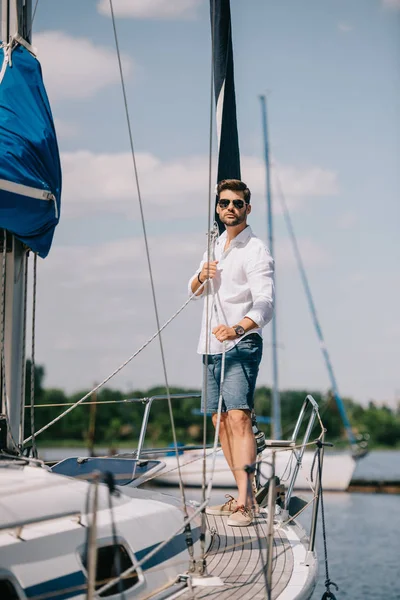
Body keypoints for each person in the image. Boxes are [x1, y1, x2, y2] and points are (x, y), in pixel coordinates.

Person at [188, 178, 275, 527]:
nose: (230, 209)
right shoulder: (215, 245)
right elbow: (193, 292)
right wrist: (200, 276)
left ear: (247, 209)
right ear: (218, 207)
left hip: (240, 343)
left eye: (237, 204)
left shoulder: (256, 250)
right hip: (210, 346)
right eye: (224, 203)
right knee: (219, 421)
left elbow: (266, 304)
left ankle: (246, 502)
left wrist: (238, 328)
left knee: (238, 418)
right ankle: (243, 494)